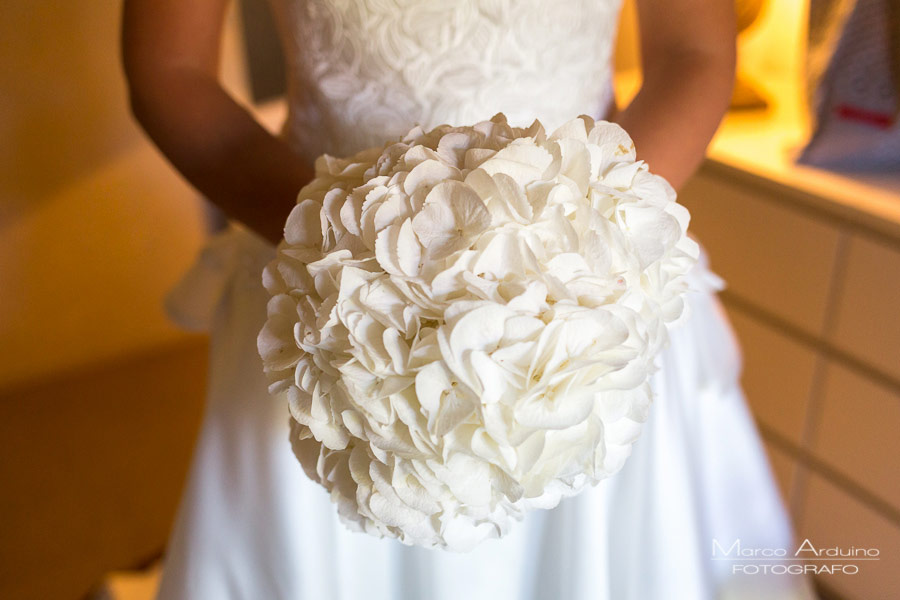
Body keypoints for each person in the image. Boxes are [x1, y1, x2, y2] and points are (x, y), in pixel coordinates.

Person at [122, 1, 817, 598]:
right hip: (327, 294)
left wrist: (583, 239)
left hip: (580, 296)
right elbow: (169, 70)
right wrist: (345, 247)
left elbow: (693, 51)